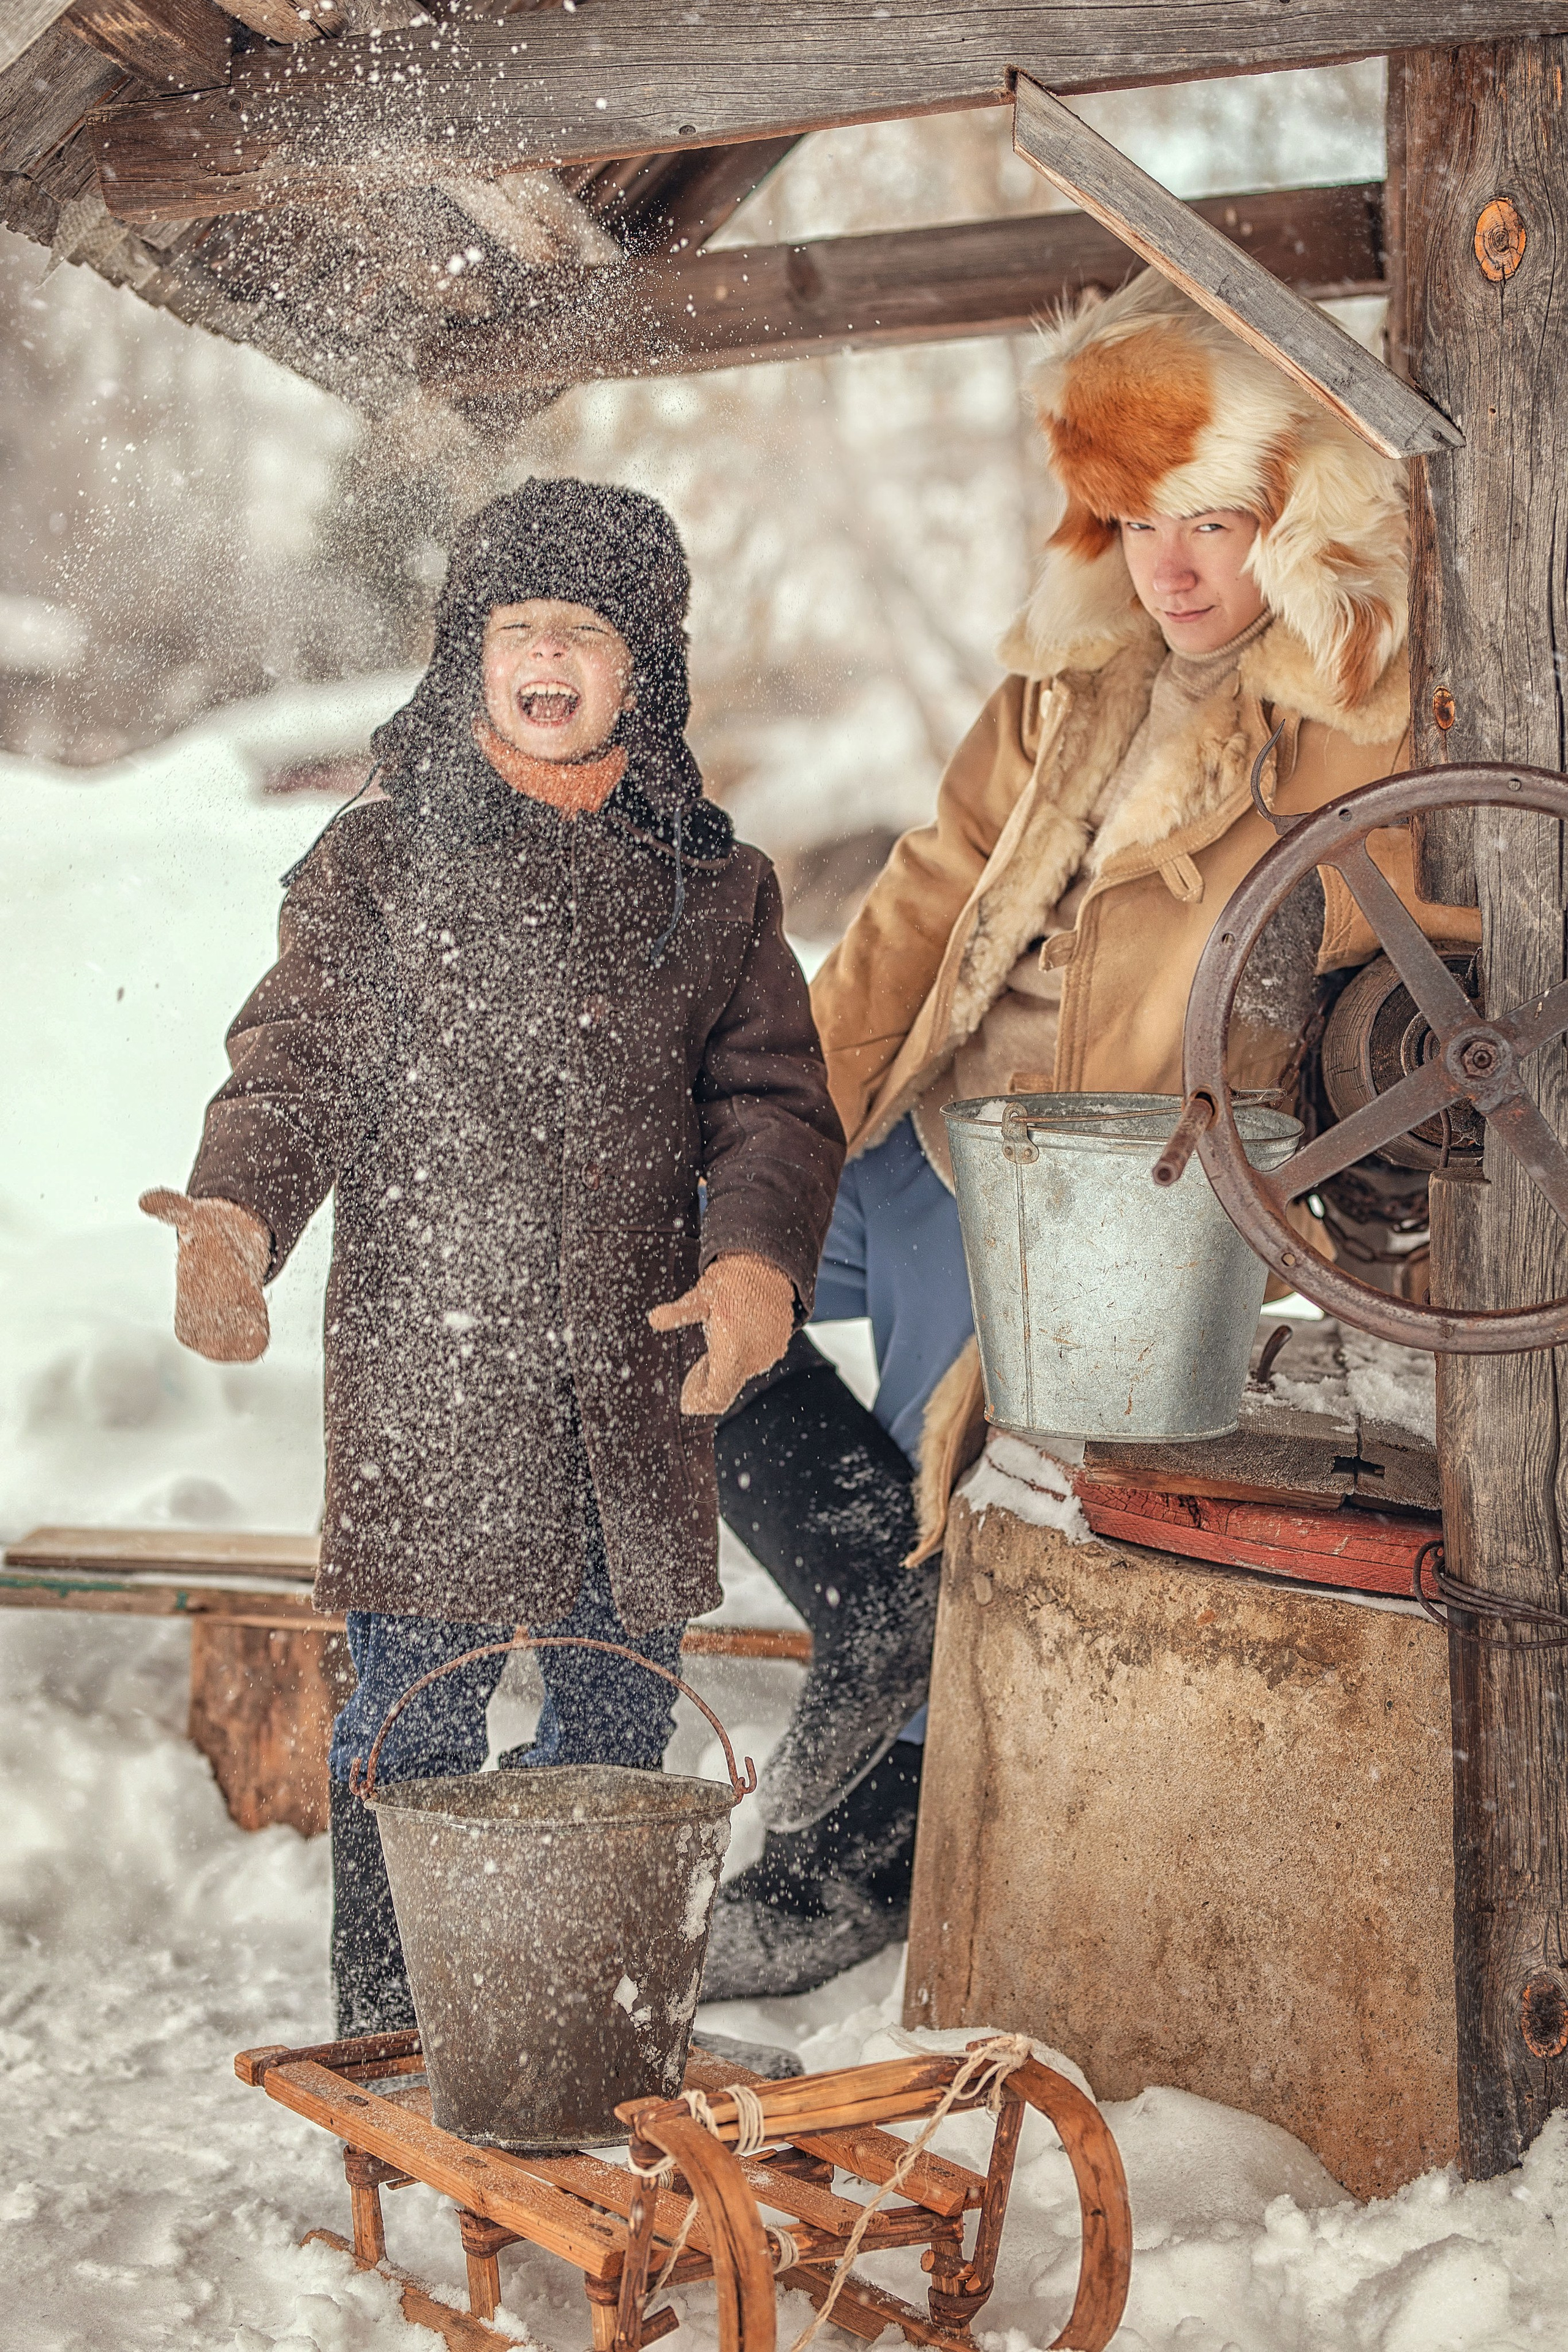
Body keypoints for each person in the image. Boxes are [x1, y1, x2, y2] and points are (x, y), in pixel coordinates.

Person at [703, 271, 1479, 1999]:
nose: (1174, 570)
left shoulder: (1361, 727)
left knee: (945, 1396)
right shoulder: (1065, 695)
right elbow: (913, 910)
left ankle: (870, 1846)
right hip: (933, 1120)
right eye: (1136, 525)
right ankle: (880, 1610)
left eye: (1214, 522)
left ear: (1299, 516)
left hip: (1112, 1182)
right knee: (664, 1282)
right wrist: (772, 1146)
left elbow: (1416, 995)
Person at [140, 477, 845, 2034]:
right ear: (465, 650)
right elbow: (296, 1067)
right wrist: (237, 1218)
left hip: (630, 1380)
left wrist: (751, 1267)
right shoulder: (381, 866)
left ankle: (546, 2014)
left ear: (640, 669)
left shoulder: (715, 888)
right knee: (409, 1737)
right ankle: (395, 2037)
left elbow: (772, 1110)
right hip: (431, 1382)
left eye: (583, 631)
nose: (547, 656)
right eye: (514, 625)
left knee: (612, 1731)